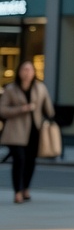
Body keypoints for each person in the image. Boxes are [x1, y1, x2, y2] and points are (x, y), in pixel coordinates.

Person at [1, 62, 55, 204]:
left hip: (34, 131)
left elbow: (49, 109)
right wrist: (22, 109)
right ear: (19, 72)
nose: (27, 72)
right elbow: (3, 110)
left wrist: (51, 117)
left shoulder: (40, 88)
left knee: (30, 161)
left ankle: (26, 188)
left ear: (33, 72)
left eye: (29, 69)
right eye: (24, 69)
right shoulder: (11, 89)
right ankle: (17, 192)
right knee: (19, 160)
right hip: (15, 131)